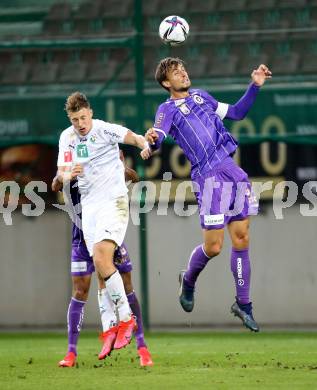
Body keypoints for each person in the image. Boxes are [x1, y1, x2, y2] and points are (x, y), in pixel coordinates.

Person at [142, 58, 272, 332]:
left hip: (230, 169)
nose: (183, 73)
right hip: (208, 177)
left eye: (183, 69)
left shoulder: (202, 96)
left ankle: (244, 304)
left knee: (242, 236)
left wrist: (255, 86)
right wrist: (149, 142)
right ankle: (188, 281)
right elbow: (159, 135)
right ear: (166, 83)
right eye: (175, 72)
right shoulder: (167, 109)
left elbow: (237, 112)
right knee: (214, 247)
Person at [57, 92, 151, 360]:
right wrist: (67, 174)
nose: (80, 123)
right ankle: (111, 328)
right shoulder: (68, 137)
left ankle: (126, 319)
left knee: (101, 257)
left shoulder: (105, 130)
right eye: (75, 119)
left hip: (114, 201)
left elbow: (133, 137)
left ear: (91, 113)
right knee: (101, 267)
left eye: (83, 117)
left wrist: (144, 144)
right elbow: (60, 172)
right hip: (89, 208)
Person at [51, 157, 153, 368]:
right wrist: (64, 176)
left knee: (126, 286)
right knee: (80, 291)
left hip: (107, 236)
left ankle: (142, 347)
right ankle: (71, 352)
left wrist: (120, 166)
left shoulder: (107, 170)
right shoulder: (77, 167)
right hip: (81, 238)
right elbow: (55, 183)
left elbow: (133, 175)